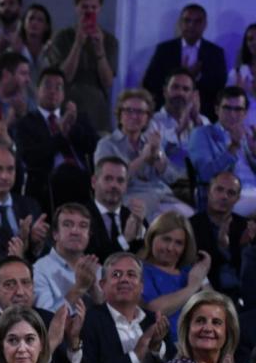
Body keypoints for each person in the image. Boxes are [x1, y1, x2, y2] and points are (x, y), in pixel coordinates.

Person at [95, 88, 192, 217]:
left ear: (147, 118)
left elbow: (172, 178)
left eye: (140, 112)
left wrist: (158, 155)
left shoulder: (150, 141)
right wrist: (143, 158)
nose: (134, 116)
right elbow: (108, 182)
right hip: (132, 199)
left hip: (162, 196)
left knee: (191, 218)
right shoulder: (107, 144)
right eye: (129, 111)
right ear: (120, 115)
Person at [14, 67, 97, 214]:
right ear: (37, 90)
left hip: (83, 179)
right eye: (47, 86)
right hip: (48, 184)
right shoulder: (26, 123)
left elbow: (94, 147)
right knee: (65, 177)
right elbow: (30, 158)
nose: (52, 91)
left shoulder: (78, 118)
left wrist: (72, 129)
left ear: (64, 94)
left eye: (58, 87)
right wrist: (61, 135)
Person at [44, 0, 118, 132]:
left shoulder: (109, 40)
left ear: (100, 9)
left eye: (93, 7)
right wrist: (77, 44)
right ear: (77, 8)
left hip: (97, 111)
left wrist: (100, 51)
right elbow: (63, 78)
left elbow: (108, 82)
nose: (89, 12)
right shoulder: (62, 37)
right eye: (84, 7)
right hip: (67, 106)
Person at [142, 4, 227, 119]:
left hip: (203, 116)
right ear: (180, 23)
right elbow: (149, 83)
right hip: (167, 116)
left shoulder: (215, 52)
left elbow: (219, 87)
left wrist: (195, 78)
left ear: (205, 25)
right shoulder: (165, 49)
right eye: (187, 20)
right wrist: (179, 77)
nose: (191, 25)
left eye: (197, 21)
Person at [139, 211, 211, 340]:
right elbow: (153, 311)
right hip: (165, 348)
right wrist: (192, 287)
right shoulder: (138, 269)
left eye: (179, 243)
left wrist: (203, 274)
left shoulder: (189, 271)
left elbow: (215, 306)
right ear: (152, 237)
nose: (171, 248)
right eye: (166, 239)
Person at [188, 86, 256, 216]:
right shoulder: (202, 134)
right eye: (227, 108)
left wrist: (254, 154)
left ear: (245, 112)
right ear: (217, 109)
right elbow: (205, 175)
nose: (232, 114)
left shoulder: (248, 135)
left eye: (238, 109)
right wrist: (233, 147)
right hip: (228, 196)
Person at [0, 143, 47, 259]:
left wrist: (34, 243)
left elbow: (42, 257)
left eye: (10, 169)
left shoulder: (30, 206)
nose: (5, 176)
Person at [190, 172, 254, 300]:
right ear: (209, 192)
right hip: (206, 295)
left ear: (237, 198)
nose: (224, 196)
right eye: (219, 189)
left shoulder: (245, 227)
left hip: (245, 294)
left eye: (231, 193)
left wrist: (246, 247)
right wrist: (221, 248)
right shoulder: (190, 226)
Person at [33, 203, 102, 312]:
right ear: (55, 234)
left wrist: (94, 290)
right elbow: (46, 318)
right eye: (67, 224)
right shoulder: (39, 270)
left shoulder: (97, 269)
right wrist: (79, 288)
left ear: (89, 235)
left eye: (83, 225)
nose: (75, 231)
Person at [86, 156, 147, 263]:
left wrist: (140, 228)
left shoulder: (132, 215)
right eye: (108, 179)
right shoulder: (82, 216)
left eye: (120, 180)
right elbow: (95, 258)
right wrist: (125, 239)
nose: (114, 185)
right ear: (94, 182)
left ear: (126, 185)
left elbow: (146, 251)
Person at [227, 22, 256, 129]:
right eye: (250, 39)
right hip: (243, 126)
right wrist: (239, 92)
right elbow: (226, 103)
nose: (254, 42)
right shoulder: (237, 73)